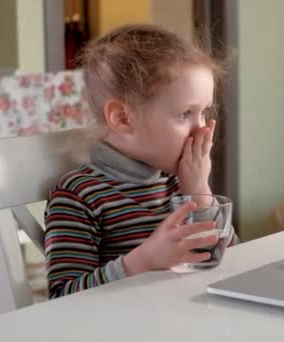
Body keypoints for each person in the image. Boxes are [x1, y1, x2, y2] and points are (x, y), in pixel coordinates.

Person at [44, 24, 237, 299]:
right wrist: (141, 262)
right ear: (123, 118)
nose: (202, 129)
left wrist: (200, 192)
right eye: (185, 114)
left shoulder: (178, 180)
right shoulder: (78, 195)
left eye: (204, 112)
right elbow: (62, 298)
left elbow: (228, 257)